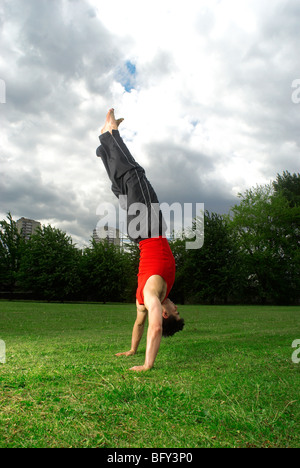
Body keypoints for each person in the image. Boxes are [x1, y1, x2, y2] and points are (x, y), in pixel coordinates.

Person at [96, 109, 184, 372]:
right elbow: (139, 324)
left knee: (134, 175)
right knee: (121, 187)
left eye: (176, 311)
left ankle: (112, 133)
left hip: (149, 227)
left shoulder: (153, 297)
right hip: (141, 235)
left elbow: (154, 326)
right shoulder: (143, 304)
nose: (177, 306)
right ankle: (105, 144)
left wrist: (147, 364)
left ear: (165, 313)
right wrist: (133, 349)